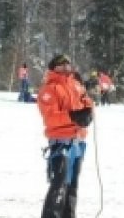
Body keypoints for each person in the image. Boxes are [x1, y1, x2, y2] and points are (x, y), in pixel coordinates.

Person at [38, 54, 95, 218]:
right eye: (60, 65)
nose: (65, 67)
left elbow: (87, 104)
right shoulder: (49, 89)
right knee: (59, 186)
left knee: (72, 186)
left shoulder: (76, 85)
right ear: (53, 67)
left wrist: (88, 112)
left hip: (78, 142)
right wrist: (73, 116)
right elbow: (50, 117)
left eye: (67, 64)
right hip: (60, 141)